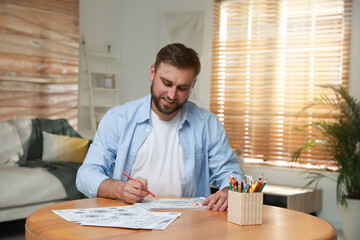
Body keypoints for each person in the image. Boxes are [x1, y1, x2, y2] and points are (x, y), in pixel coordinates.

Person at [76, 43, 243, 211]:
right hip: (129, 223)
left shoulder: (208, 124)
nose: (171, 95)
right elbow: (85, 175)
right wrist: (119, 189)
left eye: (182, 88)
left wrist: (229, 192)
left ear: (192, 85)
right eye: (166, 83)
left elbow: (231, 175)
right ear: (152, 73)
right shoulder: (118, 119)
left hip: (190, 225)